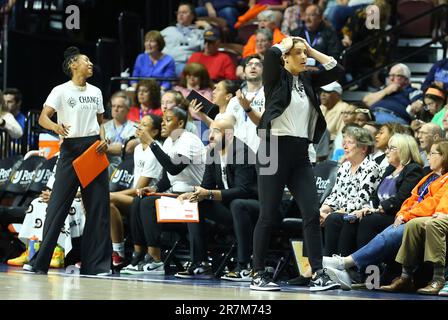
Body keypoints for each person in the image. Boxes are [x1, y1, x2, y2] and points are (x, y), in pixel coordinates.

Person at [250, 36, 344, 292]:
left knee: (312, 213)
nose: (304, 57)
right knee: (268, 215)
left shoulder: (308, 79)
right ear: (285, 58)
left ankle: (318, 273)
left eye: (305, 53)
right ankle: (258, 273)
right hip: (273, 150)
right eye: (298, 53)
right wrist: (287, 41)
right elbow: (269, 56)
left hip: (301, 152)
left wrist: (312, 48)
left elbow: (337, 70)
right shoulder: (274, 78)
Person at [24, 46, 111, 275]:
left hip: (94, 148)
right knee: (56, 207)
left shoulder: (96, 92)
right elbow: (44, 117)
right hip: (70, 149)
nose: (91, 63)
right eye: (86, 60)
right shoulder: (60, 91)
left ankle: (97, 266)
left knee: (98, 208)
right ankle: (40, 262)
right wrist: (56, 127)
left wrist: (104, 140)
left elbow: (100, 122)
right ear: (73, 65)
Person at [322, 140, 448, 290]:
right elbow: (411, 199)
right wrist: (401, 213)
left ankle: (348, 265)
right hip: (406, 216)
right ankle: (352, 272)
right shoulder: (428, 177)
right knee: (350, 219)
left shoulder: (424, 173)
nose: (428, 156)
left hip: (419, 219)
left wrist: (404, 215)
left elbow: (432, 204)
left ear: (444, 156)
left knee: (373, 223)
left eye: (432, 153)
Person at [120, 107, 206, 275]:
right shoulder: (169, 142)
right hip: (177, 195)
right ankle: (139, 254)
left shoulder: (190, 140)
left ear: (180, 123)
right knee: (139, 199)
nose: (163, 124)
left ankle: (156, 259)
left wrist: (151, 142)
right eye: (163, 120)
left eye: (168, 120)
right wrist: (154, 188)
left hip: (194, 196)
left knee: (148, 204)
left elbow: (173, 168)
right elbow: (168, 177)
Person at [175, 118, 258, 279]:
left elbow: (244, 191)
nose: (210, 136)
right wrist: (194, 193)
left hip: (253, 207)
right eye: (210, 131)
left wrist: (209, 194)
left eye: (215, 132)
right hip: (230, 208)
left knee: (238, 204)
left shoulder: (242, 152)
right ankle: (199, 262)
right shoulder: (213, 152)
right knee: (195, 202)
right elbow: (206, 185)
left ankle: (244, 266)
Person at [109, 114, 163, 267]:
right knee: (108, 205)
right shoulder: (138, 148)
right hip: (136, 197)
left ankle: (117, 252)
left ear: (154, 132)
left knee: (106, 199)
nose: (139, 126)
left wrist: (111, 195)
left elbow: (139, 189)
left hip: (149, 200)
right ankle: (115, 253)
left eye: (145, 125)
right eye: (140, 123)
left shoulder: (156, 150)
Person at [320, 126, 381, 256]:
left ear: (363, 148)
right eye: (344, 142)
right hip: (338, 213)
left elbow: (362, 200)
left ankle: (329, 265)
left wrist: (333, 213)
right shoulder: (344, 167)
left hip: (357, 215)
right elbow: (335, 195)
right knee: (314, 217)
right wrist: (324, 209)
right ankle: (312, 266)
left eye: (350, 143)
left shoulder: (371, 168)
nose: (345, 146)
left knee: (333, 219)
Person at [226, 54, 265, 152]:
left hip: (262, 153)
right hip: (238, 155)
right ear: (243, 72)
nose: (253, 66)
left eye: (258, 65)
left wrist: (247, 107)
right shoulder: (234, 100)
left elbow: (265, 123)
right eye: (249, 64)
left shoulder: (269, 96)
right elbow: (227, 127)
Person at [161, 2, 211, 76]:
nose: (180, 15)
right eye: (179, 12)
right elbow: (153, 41)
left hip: (187, 64)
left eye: (184, 12)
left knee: (185, 70)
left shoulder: (199, 32)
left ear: (192, 16)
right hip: (166, 63)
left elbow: (209, 45)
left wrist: (207, 27)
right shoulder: (167, 31)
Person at [102, 91, 137, 174]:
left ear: (128, 109)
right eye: (113, 106)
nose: (115, 109)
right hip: (107, 168)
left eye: (120, 106)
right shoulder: (103, 127)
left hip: (128, 170)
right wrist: (122, 148)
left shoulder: (135, 128)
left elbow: (130, 149)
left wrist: (107, 148)